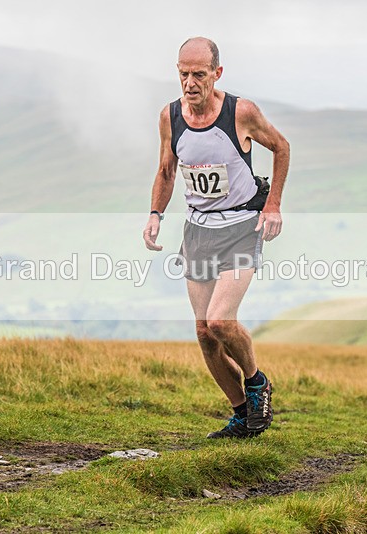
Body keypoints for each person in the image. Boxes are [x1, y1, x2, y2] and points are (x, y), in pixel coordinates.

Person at [143, 37, 290, 438]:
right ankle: (242, 415)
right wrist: (155, 214)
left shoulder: (240, 112)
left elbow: (281, 147)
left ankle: (257, 383)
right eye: (183, 74)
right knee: (205, 333)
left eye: (199, 74)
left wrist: (273, 204)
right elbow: (167, 170)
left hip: (241, 226)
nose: (190, 83)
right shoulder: (170, 116)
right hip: (198, 231)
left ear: (217, 74)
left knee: (221, 320)